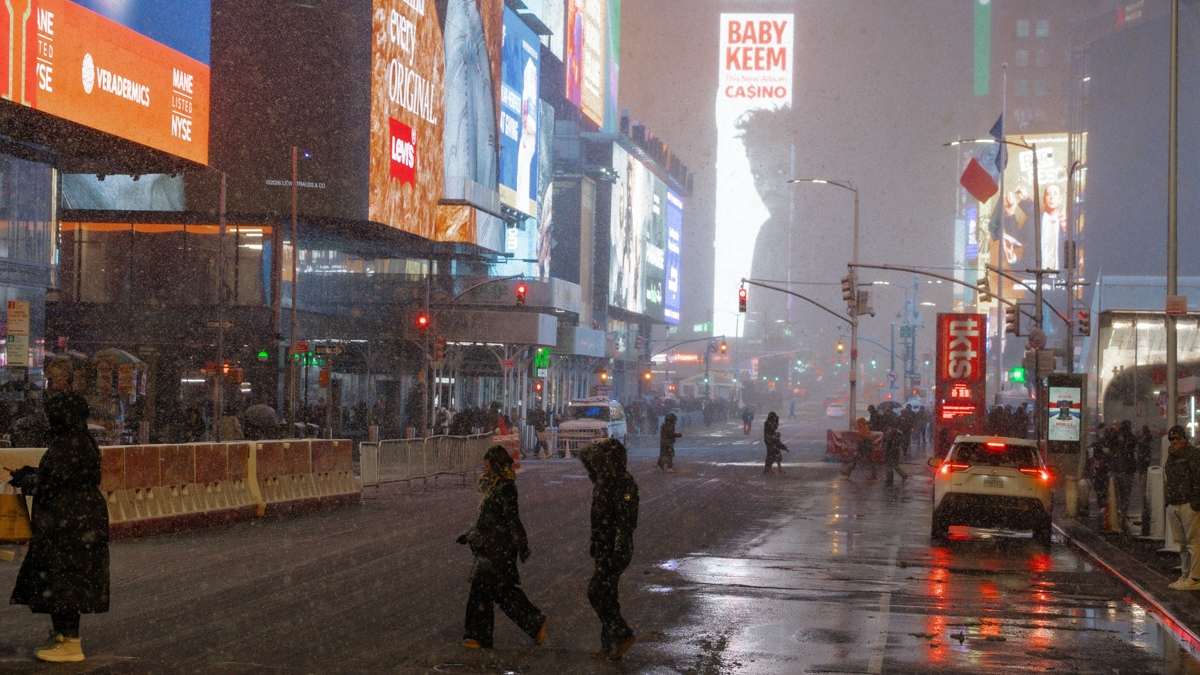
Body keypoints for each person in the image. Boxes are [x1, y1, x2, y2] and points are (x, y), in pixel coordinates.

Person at [9, 392, 109, 663]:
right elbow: (62, 477)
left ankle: (70, 641)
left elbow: (57, 483)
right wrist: (33, 474)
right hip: (76, 521)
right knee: (63, 579)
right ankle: (63, 636)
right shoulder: (77, 440)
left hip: (69, 524)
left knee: (63, 580)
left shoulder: (69, 444)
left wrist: (30, 481)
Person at [457, 446, 547, 650]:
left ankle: (479, 636)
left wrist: (520, 543)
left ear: (495, 464)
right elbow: (485, 519)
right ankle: (534, 623)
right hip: (491, 546)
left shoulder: (505, 487)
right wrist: (470, 535)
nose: (484, 467)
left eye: (487, 463)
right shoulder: (493, 486)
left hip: (499, 549)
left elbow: (511, 519)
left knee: (485, 590)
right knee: (502, 591)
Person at [579, 439, 639, 660]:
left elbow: (626, 523)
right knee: (608, 594)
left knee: (597, 591)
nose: (596, 466)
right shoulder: (604, 480)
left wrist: (618, 550)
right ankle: (610, 646)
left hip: (614, 548)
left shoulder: (623, 484)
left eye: (601, 461)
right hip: (603, 546)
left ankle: (622, 635)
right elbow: (586, 457)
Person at [1163, 426, 1200, 591]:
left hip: (1187, 504)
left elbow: (1197, 480)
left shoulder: (1193, 455)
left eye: (1177, 438)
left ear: (1184, 438)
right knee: (1182, 543)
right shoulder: (1171, 456)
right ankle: (1185, 575)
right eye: (1172, 439)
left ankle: (1195, 577)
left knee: (1193, 543)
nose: (1175, 442)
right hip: (1175, 503)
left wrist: (1195, 502)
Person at [1112, 421, 1139, 531]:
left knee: (1118, 494)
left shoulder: (1118, 437)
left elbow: (1111, 447)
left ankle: (1119, 514)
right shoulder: (1131, 438)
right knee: (1125, 494)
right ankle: (1123, 514)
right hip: (1127, 471)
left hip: (1119, 470)